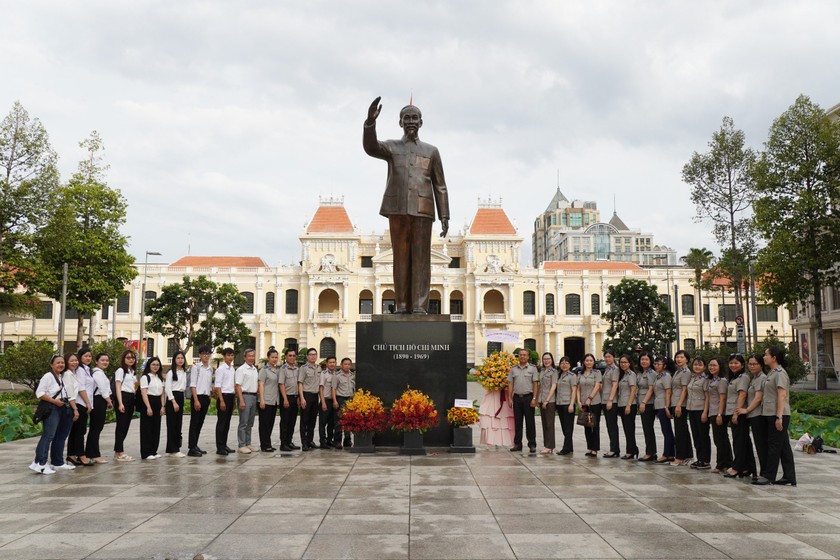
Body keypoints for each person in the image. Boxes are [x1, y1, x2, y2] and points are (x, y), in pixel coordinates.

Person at [363, 96, 450, 314]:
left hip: (423, 210)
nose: (411, 121)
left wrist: (445, 215)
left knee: (421, 260)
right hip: (397, 209)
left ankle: (420, 306)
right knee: (400, 258)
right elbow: (371, 147)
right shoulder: (391, 147)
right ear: (400, 122)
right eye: (406, 118)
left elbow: (440, 185)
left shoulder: (432, 151)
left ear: (421, 123)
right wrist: (370, 123)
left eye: (415, 118)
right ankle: (401, 305)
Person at [754, 347, 797, 486]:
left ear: (774, 358)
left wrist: (779, 417)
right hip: (771, 412)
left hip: (777, 414)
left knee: (773, 446)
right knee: (783, 446)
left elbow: (782, 395)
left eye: (766, 355)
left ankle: (768, 475)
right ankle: (789, 476)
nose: (764, 357)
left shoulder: (780, 373)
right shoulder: (772, 373)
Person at [30, 355, 74, 474]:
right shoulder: (48, 376)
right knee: (48, 436)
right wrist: (55, 401)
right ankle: (41, 463)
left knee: (56, 436)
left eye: (62, 363)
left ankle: (55, 462)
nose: (61, 365)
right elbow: (40, 393)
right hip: (52, 408)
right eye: (58, 363)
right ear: (51, 365)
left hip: (61, 407)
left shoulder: (60, 376)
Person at [737, 353, 767, 480]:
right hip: (753, 415)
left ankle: (765, 473)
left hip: (758, 415)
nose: (752, 366)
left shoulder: (761, 378)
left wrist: (746, 410)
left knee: (761, 445)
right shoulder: (754, 378)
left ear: (761, 365)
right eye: (750, 364)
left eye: (755, 364)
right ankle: (759, 472)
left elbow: (758, 398)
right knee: (757, 444)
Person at [725, 354, 755, 478]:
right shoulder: (734, 377)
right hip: (735, 412)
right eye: (731, 363)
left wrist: (736, 413)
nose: (733, 365)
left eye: (736, 363)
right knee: (742, 440)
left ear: (742, 365)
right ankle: (747, 467)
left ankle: (738, 467)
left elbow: (742, 395)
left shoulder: (743, 377)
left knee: (739, 441)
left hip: (739, 413)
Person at [507, 349, 538, 453]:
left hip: (528, 398)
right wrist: (510, 398)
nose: (522, 357)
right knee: (518, 422)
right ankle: (517, 444)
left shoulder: (533, 369)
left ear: (528, 357)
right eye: (520, 355)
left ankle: (532, 444)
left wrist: (534, 398)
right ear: (518, 356)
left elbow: (535, 384)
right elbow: (510, 384)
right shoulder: (513, 369)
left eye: (525, 355)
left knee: (530, 422)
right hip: (517, 398)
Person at [67, 347, 94, 466]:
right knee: (79, 431)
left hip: (82, 403)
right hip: (80, 403)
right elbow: (81, 387)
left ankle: (72, 455)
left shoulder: (86, 369)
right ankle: (81, 455)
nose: (88, 358)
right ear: (80, 357)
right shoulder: (80, 371)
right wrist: (88, 403)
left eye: (89, 356)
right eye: (85, 356)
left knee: (76, 431)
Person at [86, 353, 113, 464]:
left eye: (107, 360)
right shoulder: (97, 373)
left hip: (100, 400)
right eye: (102, 360)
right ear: (96, 361)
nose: (105, 362)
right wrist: (109, 401)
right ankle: (94, 454)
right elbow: (102, 389)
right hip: (98, 401)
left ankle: (90, 452)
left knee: (96, 428)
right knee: (96, 428)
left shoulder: (100, 373)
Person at [707, 357, 733, 474]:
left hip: (719, 412)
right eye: (710, 365)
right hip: (713, 411)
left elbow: (723, 398)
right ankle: (726, 463)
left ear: (720, 367)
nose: (711, 367)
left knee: (721, 439)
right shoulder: (712, 380)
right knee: (720, 439)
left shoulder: (722, 380)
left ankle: (722, 464)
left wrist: (719, 414)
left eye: (714, 365)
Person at [188, 345, 214, 457]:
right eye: (204, 354)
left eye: (208, 354)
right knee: (194, 423)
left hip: (205, 397)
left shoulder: (210, 368)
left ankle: (195, 445)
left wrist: (209, 395)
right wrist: (196, 400)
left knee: (200, 423)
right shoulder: (196, 368)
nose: (206, 356)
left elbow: (208, 383)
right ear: (200, 355)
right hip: (197, 397)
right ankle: (191, 447)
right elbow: (193, 384)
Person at [113, 349, 138, 462]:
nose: (131, 359)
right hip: (123, 397)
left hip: (131, 398)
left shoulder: (132, 371)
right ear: (123, 359)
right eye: (128, 357)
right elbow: (118, 387)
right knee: (121, 425)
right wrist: (120, 403)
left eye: (132, 358)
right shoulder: (120, 370)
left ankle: (118, 451)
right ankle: (119, 452)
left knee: (126, 425)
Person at [686, 357, 711, 470]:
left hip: (701, 410)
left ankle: (706, 460)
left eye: (700, 365)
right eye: (695, 364)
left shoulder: (705, 379)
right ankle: (699, 458)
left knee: (703, 435)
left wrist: (705, 412)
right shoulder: (692, 378)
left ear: (704, 367)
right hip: (691, 409)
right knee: (696, 435)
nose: (697, 367)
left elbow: (707, 397)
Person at [139, 357, 166, 460]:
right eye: (153, 364)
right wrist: (148, 407)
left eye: (157, 365)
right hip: (148, 402)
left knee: (156, 427)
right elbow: (143, 393)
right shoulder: (145, 377)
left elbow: (162, 393)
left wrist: (162, 406)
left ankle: (153, 450)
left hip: (157, 403)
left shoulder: (160, 378)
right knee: (147, 428)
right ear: (149, 365)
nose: (155, 367)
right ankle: (146, 452)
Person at [577, 353, 603, 457]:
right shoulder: (580, 373)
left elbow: (597, 386)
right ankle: (589, 447)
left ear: (594, 362)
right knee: (586, 425)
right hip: (583, 403)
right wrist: (578, 401)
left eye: (591, 360)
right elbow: (578, 388)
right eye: (587, 360)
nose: (589, 362)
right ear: (584, 362)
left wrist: (590, 398)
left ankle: (595, 449)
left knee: (595, 425)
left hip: (595, 402)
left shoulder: (597, 373)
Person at [671, 350, 693, 466]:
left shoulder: (685, 372)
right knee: (683, 430)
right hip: (676, 403)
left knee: (680, 431)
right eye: (677, 357)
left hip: (681, 404)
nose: (679, 359)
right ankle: (688, 455)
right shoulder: (678, 371)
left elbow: (684, 389)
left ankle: (679, 457)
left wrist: (679, 405)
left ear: (687, 359)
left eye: (681, 357)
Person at [235, 348, 260, 454]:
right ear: (245, 357)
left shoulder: (254, 369)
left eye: (253, 356)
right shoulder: (241, 369)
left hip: (254, 397)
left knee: (250, 423)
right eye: (249, 356)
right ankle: (241, 445)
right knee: (243, 423)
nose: (251, 358)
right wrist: (241, 400)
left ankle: (248, 443)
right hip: (245, 396)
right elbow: (238, 386)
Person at [298, 348, 322, 451]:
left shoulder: (319, 368)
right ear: (307, 356)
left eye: (314, 355)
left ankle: (310, 440)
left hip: (315, 396)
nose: (313, 356)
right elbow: (300, 383)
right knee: (304, 421)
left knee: (313, 420)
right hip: (306, 395)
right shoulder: (303, 368)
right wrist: (302, 398)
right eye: (311, 355)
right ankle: (304, 443)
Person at [652, 355, 675, 464]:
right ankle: (670, 454)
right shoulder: (658, 376)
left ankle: (667, 454)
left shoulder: (666, 376)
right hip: (659, 405)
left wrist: (666, 407)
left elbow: (668, 391)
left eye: (659, 364)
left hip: (663, 405)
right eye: (655, 364)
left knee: (667, 431)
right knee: (665, 430)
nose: (656, 366)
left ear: (664, 365)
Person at [164, 350, 188, 457]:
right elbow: (168, 388)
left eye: (182, 358)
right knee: (172, 424)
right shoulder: (170, 372)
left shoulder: (183, 372)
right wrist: (173, 401)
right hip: (172, 398)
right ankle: (174, 449)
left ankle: (172, 448)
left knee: (178, 424)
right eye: (178, 358)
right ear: (174, 360)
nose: (180, 360)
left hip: (180, 397)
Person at [258, 347, 281, 452]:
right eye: (272, 357)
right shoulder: (264, 370)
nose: (275, 359)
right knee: (264, 424)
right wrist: (261, 399)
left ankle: (268, 443)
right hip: (266, 400)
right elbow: (261, 384)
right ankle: (264, 445)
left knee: (270, 423)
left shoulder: (277, 370)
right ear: (268, 358)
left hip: (274, 400)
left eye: (276, 357)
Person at [214, 348, 237, 455]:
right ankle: (220, 447)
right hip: (223, 396)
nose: (230, 357)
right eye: (228, 355)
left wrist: (234, 399)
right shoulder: (221, 369)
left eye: (232, 355)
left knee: (227, 423)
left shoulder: (232, 369)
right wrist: (221, 400)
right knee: (221, 423)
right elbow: (218, 386)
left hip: (231, 396)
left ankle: (224, 444)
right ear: (224, 356)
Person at [636, 352, 658, 462]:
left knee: (648, 428)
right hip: (641, 402)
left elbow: (651, 388)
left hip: (648, 403)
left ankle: (650, 453)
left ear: (650, 361)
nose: (644, 361)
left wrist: (644, 402)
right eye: (642, 359)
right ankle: (650, 451)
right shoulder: (641, 373)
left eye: (646, 359)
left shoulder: (651, 373)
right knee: (646, 428)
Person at [616, 355, 638, 460]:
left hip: (629, 405)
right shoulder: (622, 375)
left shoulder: (631, 374)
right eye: (621, 362)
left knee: (629, 429)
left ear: (629, 363)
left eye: (625, 362)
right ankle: (633, 448)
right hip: (622, 404)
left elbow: (633, 390)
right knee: (626, 429)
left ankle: (630, 451)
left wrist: (629, 405)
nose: (623, 364)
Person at [554, 356, 577, 456]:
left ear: (570, 365)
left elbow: (574, 390)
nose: (564, 365)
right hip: (560, 404)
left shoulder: (572, 376)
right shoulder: (558, 375)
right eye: (562, 363)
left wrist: (572, 404)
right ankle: (570, 446)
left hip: (568, 404)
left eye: (566, 363)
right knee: (564, 427)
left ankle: (566, 448)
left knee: (568, 428)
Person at [61, 352, 81, 466]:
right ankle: (58, 460)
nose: (75, 362)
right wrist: (75, 409)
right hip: (69, 407)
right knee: (63, 434)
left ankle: (69, 456)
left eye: (76, 360)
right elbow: (70, 393)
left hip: (71, 405)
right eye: (72, 360)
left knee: (69, 433)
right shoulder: (67, 374)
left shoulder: (73, 373)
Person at [536, 352, 558, 455]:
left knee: (549, 424)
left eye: (548, 359)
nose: (546, 361)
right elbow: (540, 386)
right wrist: (537, 399)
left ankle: (550, 446)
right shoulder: (542, 371)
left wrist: (547, 400)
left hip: (549, 401)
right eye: (544, 359)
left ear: (552, 360)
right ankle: (547, 445)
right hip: (541, 400)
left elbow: (554, 386)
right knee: (544, 424)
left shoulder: (554, 371)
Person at [279, 348, 300, 451]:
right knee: (285, 422)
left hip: (295, 398)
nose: (292, 357)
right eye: (290, 355)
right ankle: (283, 443)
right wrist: (285, 399)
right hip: (286, 398)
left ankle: (289, 441)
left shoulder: (297, 369)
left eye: (293, 355)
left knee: (292, 421)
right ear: (286, 357)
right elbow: (281, 384)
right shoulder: (283, 369)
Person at [332, 357, 356, 449]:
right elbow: (333, 389)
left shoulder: (352, 375)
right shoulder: (337, 376)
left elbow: (354, 389)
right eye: (345, 364)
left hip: (349, 399)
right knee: (339, 421)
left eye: (349, 364)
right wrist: (334, 400)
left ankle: (347, 440)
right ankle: (337, 441)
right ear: (341, 365)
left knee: (348, 421)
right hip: (340, 399)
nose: (347, 366)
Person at [601, 350, 621, 458]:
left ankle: (614, 449)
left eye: (609, 356)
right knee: (609, 426)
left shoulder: (615, 369)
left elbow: (615, 385)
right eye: (606, 357)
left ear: (614, 357)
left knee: (612, 426)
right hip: (605, 400)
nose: (607, 359)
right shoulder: (607, 369)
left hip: (611, 401)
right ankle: (613, 448)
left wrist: (610, 400)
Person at [319, 356, 339, 448]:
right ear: (327, 364)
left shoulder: (337, 374)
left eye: (333, 362)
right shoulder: (324, 374)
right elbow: (321, 389)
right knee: (323, 423)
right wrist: (323, 402)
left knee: (331, 423)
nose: (332, 364)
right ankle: (322, 441)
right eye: (330, 362)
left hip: (334, 401)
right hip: (326, 400)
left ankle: (329, 440)